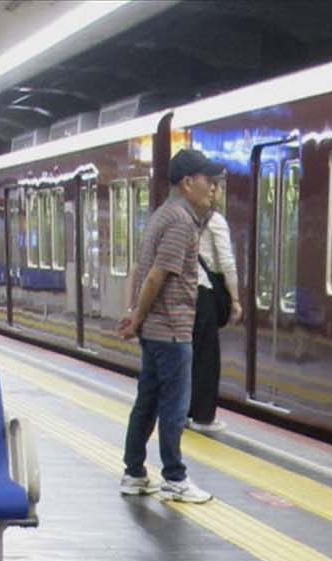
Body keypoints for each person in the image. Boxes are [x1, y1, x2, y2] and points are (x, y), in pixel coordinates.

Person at [118, 148, 219, 501]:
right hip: (172, 329)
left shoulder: (163, 214)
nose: (213, 187)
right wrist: (136, 318)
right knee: (174, 408)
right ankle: (175, 478)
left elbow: (143, 270)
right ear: (188, 182)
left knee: (146, 402)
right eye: (208, 180)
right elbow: (157, 276)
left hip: (156, 329)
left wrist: (137, 315)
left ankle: (134, 473)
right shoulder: (180, 222)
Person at [189, 192, 242, 430]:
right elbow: (226, 262)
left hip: (185, 293)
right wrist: (235, 299)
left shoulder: (184, 218)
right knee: (207, 358)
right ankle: (203, 417)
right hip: (205, 294)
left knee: (188, 355)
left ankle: (184, 411)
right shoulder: (215, 220)